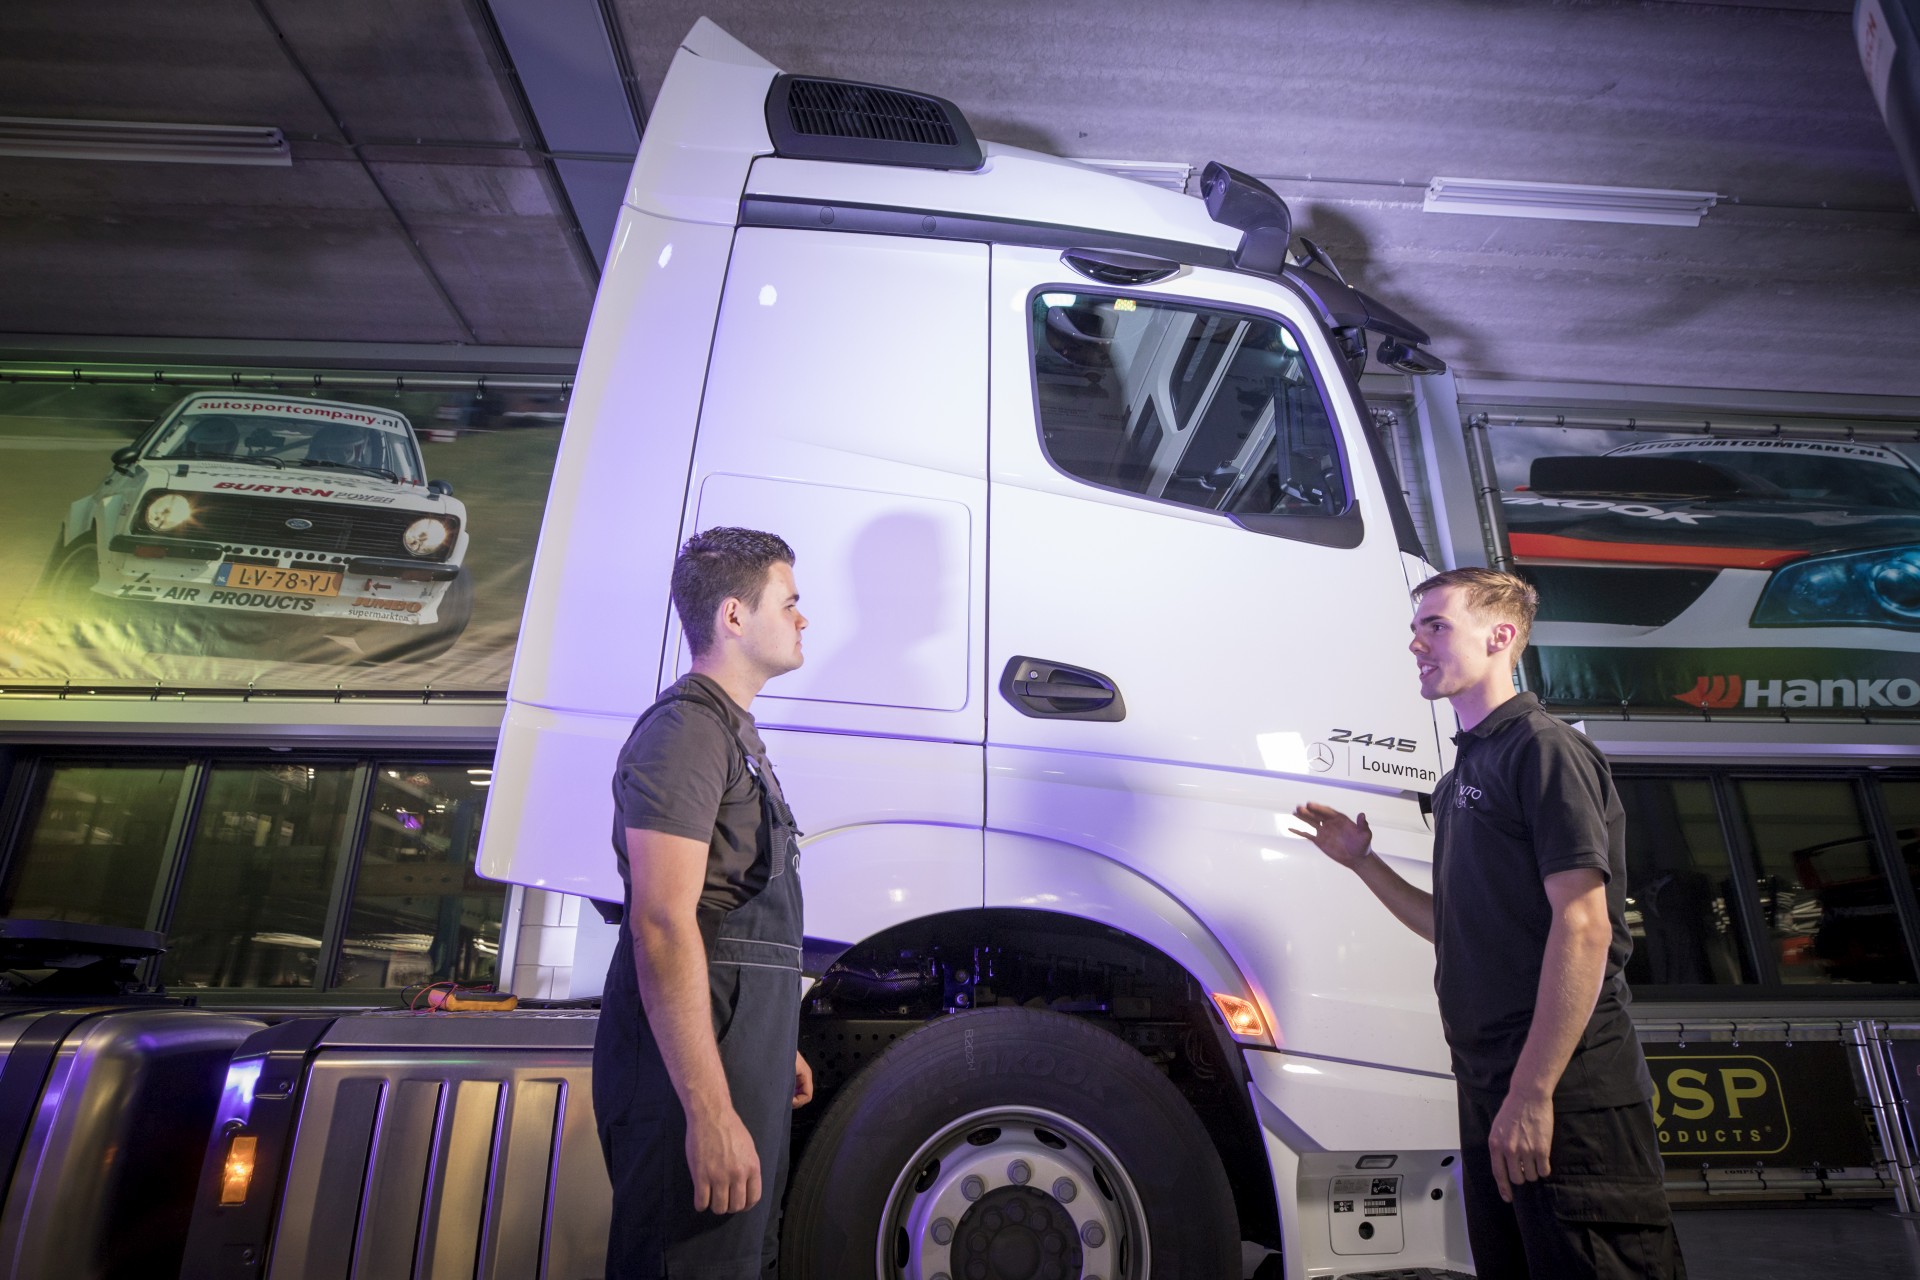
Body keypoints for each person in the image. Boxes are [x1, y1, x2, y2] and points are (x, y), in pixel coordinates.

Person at [1293, 567, 1685, 1279]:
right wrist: (1363, 863)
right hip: (1492, 1087)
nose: (1415, 643)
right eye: (1416, 628)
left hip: (1568, 1092)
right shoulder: (1458, 781)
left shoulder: (1544, 751)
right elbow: (1456, 926)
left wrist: (1534, 1093)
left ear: (1501, 635)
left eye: (1434, 626)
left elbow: (1586, 924)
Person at [593, 527, 814, 1279]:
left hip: (731, 1050)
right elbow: (661, 924)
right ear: (733, 617)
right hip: (685, 1078)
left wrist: (768, 1031)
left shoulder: (734, 736)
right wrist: (711, 1112)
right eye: (789, 602)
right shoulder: (685, 733)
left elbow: (725, 917)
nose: (802, 618)